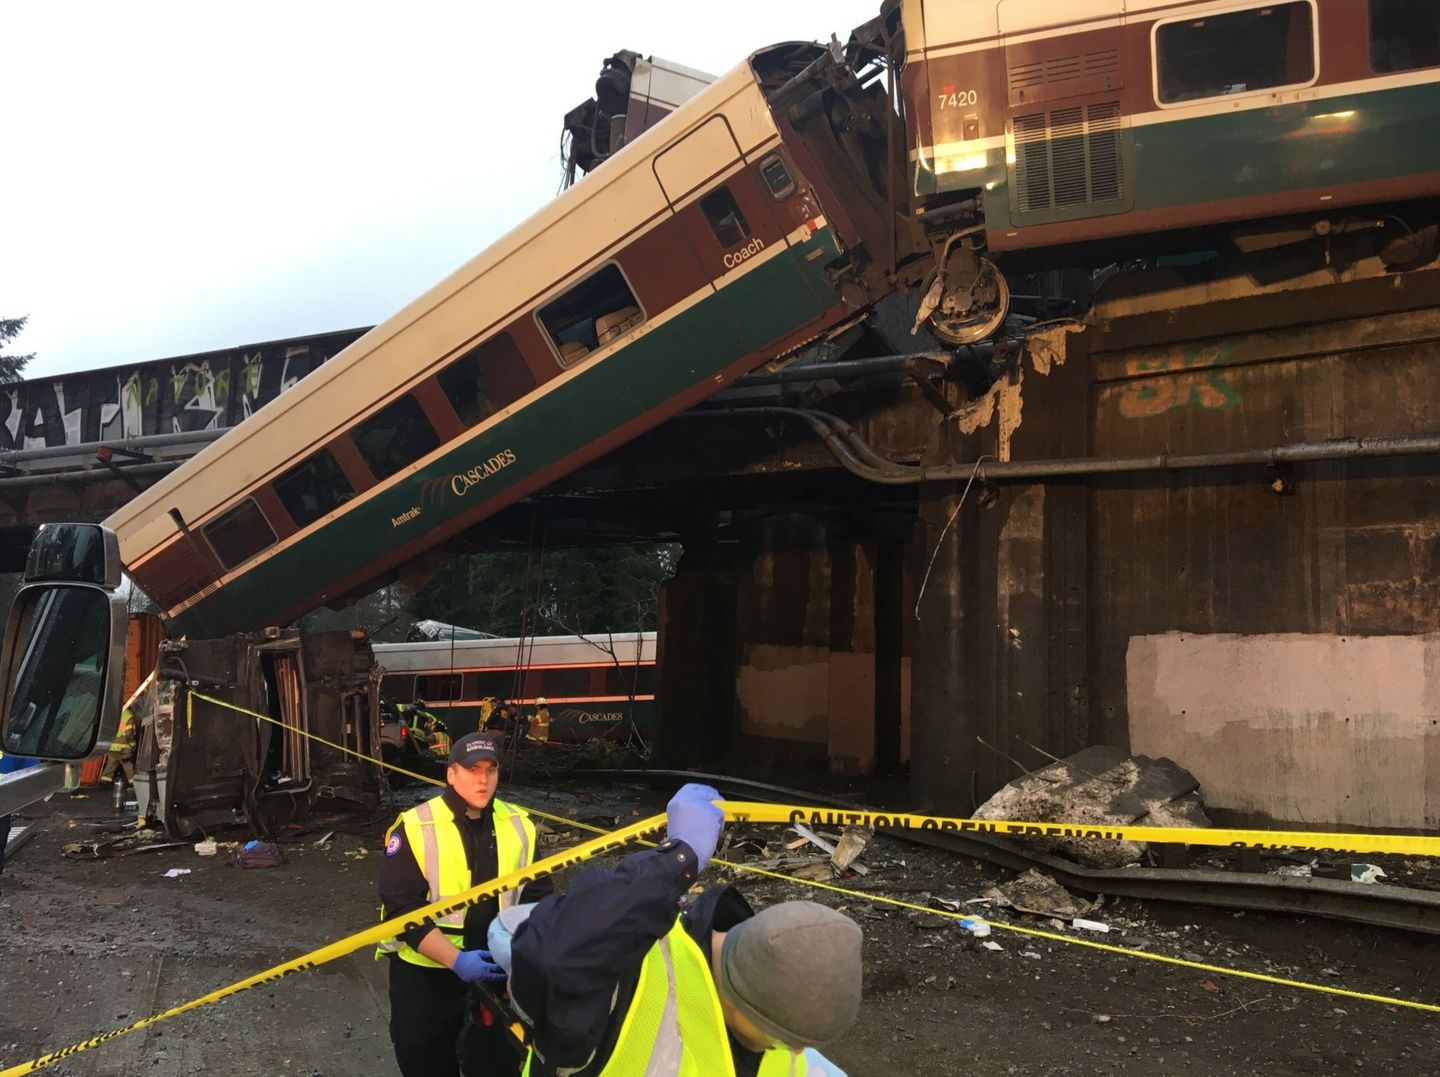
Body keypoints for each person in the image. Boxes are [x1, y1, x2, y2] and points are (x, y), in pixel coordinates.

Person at [500, 783, 862, 1076]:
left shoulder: (790, 1057)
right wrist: (675, 861)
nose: (797, 1050)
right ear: (744, 998)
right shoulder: (628, 977)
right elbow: (555, 957)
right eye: (783, 1038)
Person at [377, 731, 552, 1077]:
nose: (483, 779)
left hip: (498, 968)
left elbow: (538, 899)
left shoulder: (520, 825)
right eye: (472, 770)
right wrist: (455, 959)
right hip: (427, 974)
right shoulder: (414, 826)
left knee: (498, 1062)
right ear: (451, 774)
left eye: (491, 769)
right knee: (424, 1059)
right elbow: (402, 909)